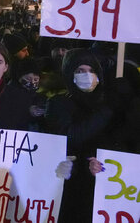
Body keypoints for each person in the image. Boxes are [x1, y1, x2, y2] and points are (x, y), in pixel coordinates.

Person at [45, 49, 116, 222]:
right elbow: (70, 137)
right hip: (71, 191)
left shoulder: (110, 102)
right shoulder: (58, 104)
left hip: (104, 191)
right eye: (80, 71)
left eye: (91, 70)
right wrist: (106, 112)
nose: (87, 75)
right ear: (70, 75)